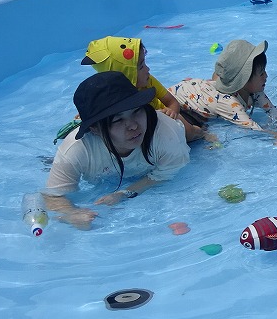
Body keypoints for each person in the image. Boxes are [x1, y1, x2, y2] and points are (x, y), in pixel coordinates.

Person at [43, 72, 190, 230]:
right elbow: (52, 196)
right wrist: (71, 214)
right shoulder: (77, 149)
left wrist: (124, 193)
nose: (133, 126)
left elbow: (168, 174)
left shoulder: (165, 133)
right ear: (95, 129)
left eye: (136, 111)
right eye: (118, 120)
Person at [81, 35, 206, 142]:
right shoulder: (110, 97)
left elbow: (171, 101)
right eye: (141, 66)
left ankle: (201, 133)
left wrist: (172, 112)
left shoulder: (148, 80)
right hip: (144, 128)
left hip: (164, 118)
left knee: (186, 130)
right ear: (126, 74)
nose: (148, 69)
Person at [170, 40, 277, 144]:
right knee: (191, 132)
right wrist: (276, 135)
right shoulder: (229, 103)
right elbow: (252, 128)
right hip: (175, 101)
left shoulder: (256, 90)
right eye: (261, 73)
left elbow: (273, 112)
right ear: (244, 80)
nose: (266, 76)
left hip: (202, 91)